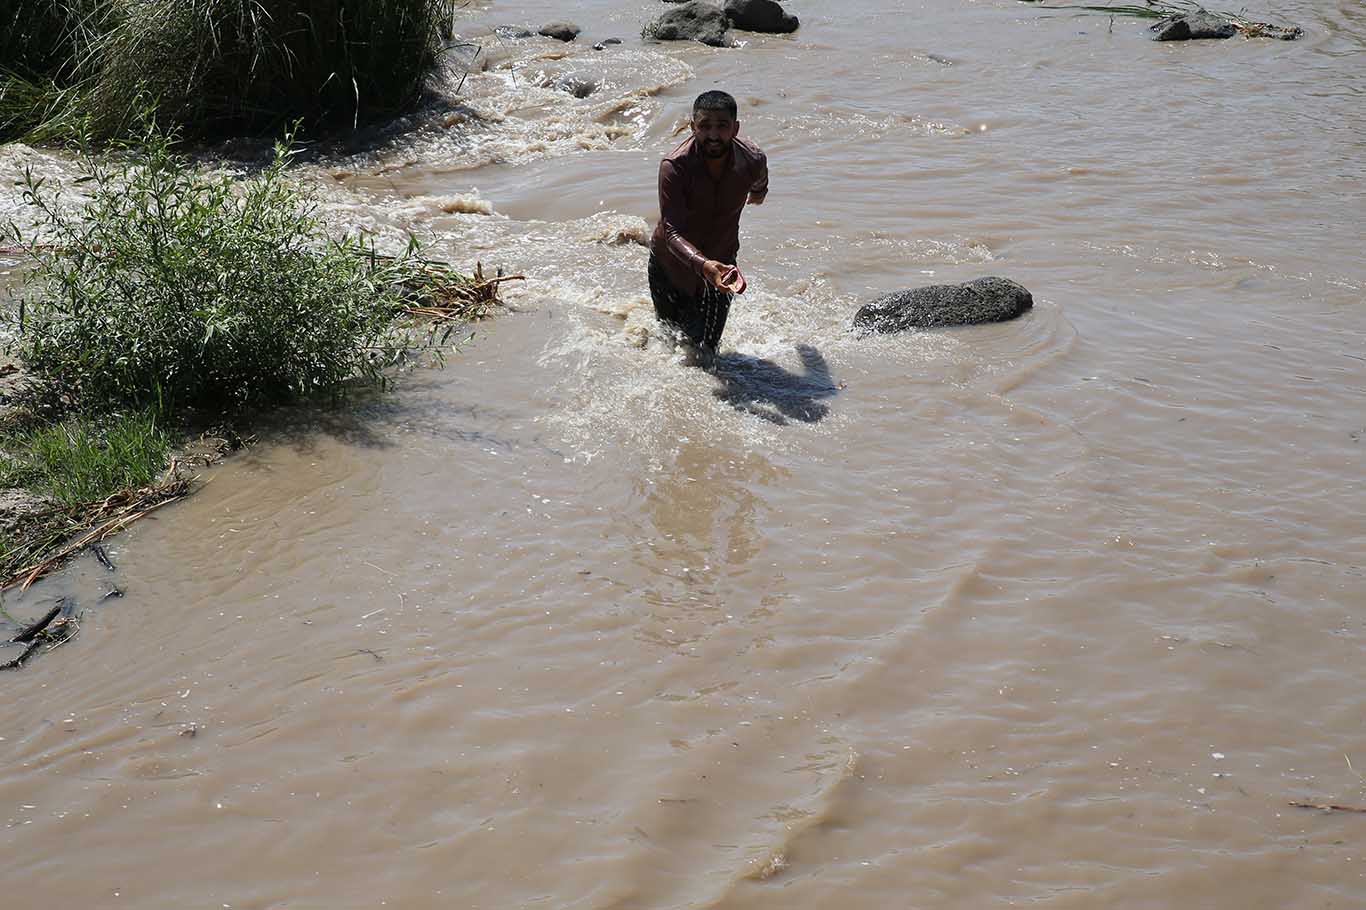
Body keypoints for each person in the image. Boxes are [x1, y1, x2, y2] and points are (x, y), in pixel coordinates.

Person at [648, 90, 768, 362]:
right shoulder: (675, 166)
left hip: (723, 268)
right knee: (670, 343)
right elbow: (671, 232)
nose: (713, 135)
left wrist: (757, 195)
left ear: (735, 128)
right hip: (670, 266)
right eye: (704, 126)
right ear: (692, 127)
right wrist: (704, 266)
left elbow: (760, 186)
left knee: (705, 354)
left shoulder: (752, 160)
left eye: (722, 126)